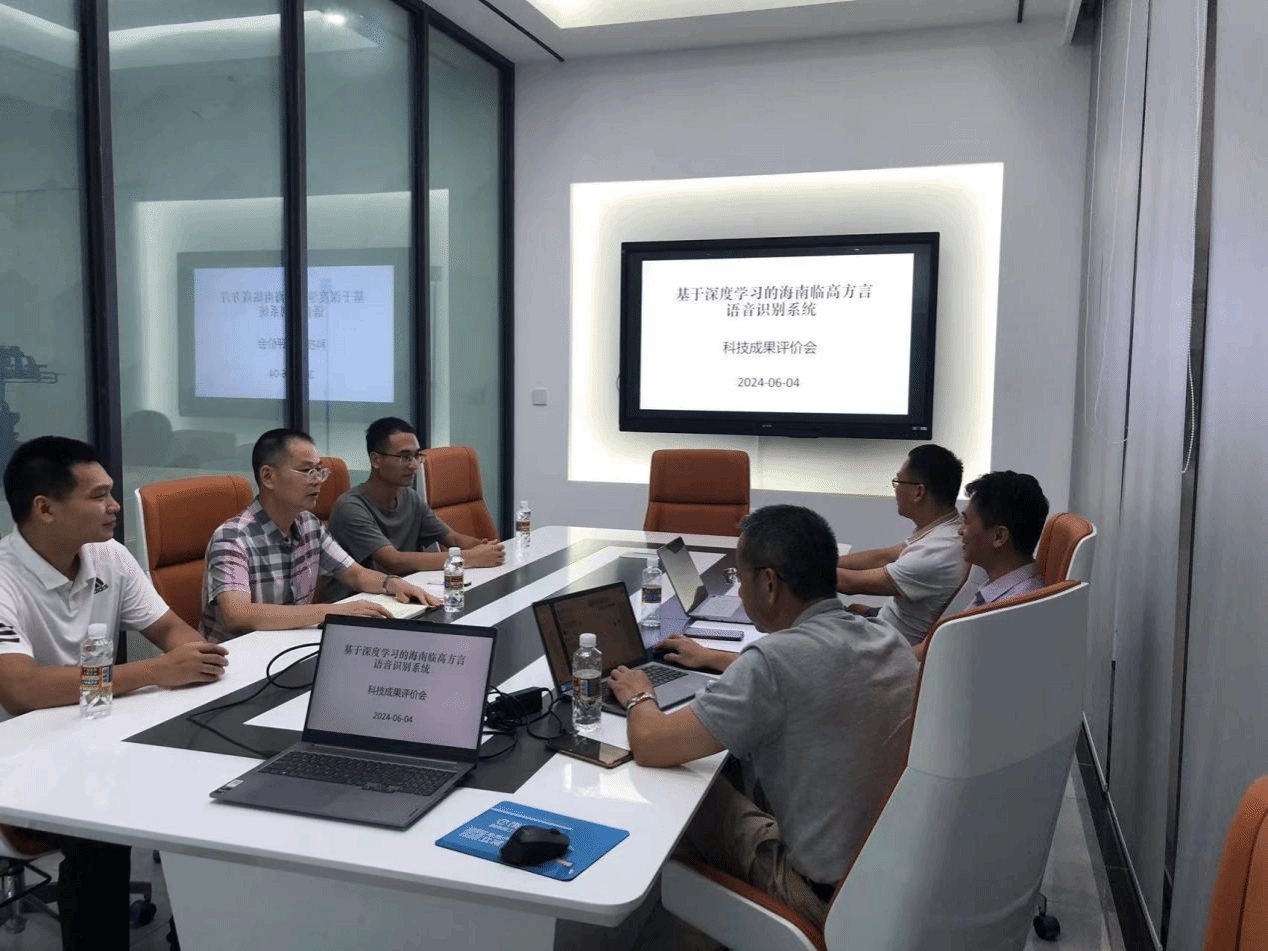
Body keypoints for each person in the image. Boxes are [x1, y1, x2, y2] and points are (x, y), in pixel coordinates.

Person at [609, 505, 918, 931]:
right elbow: (811, 672)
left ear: (769, 583)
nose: (739, 593)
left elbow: (651, 744)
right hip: (890, 882)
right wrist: (715, 658)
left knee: (682, 794)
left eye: (741, 578)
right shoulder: (887, 638)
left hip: (820, 899)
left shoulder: (774, 662)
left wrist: (638, 694)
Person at [0, 435, 229, 951]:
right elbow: (20, 690)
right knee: (100, 829)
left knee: (206, 784)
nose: (115, 505)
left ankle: (195, 932)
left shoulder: (109, 557)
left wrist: (195, 660)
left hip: (97, 734)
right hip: (21, 756)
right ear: (45, 509)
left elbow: (171, 631)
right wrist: (153, 673)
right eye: (99, 495)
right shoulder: (4, 577)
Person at [201, 428, 438, 642]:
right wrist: (333, 611)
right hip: (237, 659)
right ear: (268, 477)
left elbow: (355, 574)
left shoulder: (308, 524)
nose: (317, 481)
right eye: (307, 471)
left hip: (288, 643)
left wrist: (393, 584)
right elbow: (237, 615)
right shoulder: (232, 538)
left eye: (319, 471)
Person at [326, 417, 503, 601]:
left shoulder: (410, 497)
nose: (414, 465)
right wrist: (470, 558)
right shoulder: (350, 507)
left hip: (402, 593)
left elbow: (453, 539)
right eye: (405, 457)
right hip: (356, 602)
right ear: (376, 460)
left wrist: (487, 549)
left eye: (417, 456)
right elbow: (393, 561)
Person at [836, 443, 968, 646]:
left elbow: (849, 584)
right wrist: (827, 560)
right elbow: (882, 557)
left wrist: (796, 566)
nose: (896, 490)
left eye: (898, 482)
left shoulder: (936, 554)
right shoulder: (945, 530)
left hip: (882, 647)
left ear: (918, 492)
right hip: (881, 624)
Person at [959, 470, 1050, 605]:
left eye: (966, 521)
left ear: (999, 536)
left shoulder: (1014, 607)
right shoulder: (1002, 590)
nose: (960, 531)